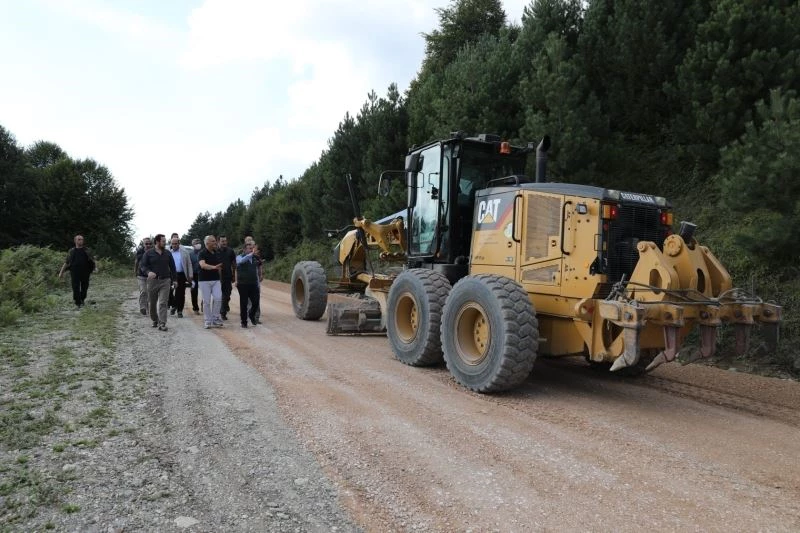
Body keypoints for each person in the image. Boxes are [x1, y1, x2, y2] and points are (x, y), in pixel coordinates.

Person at [141, 234, 176, 331]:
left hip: (165, 280)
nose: (165, 243)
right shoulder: (148, 253)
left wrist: (175, 280)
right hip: (152, 281)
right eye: (163, 241)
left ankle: (162, 323)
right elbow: (143, 266)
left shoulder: (168, 253)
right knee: (152, 303)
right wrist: (148, 272)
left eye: (165, 241)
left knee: (163, 302)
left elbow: (173, 267)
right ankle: (155, 319)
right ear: (157, 242)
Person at [58, 234, 96, 307]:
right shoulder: (71, 251)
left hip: (85, 271)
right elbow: (66, 262)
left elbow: (92, 260)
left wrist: (95, 268)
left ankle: (82, 299)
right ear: (75, 241)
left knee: (85, 286)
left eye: (82, 239)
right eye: (79, 239)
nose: (81, 241)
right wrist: (61, 272)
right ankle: (77, 302)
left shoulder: (87, 250)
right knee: (75, 287)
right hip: (74, 271)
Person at [198, 235, 224, 329]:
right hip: (204, 280)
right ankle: (208, 320)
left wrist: (220, 277)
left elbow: (219, 266)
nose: (215, 242)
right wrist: (214, 267)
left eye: (215, 241)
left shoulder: (217, 252)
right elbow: (203, 265)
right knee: (207, 301)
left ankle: (215, 318)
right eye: (213, 241)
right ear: (207, 243)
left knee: (218, 298)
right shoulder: (202, 253)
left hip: (216, 279)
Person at [235, 242, 260, 328]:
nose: (251, 250)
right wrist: (251, 254)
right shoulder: (239, 257)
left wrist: (258, 282)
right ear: (244, 250)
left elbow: (257, 269)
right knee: (244, 303)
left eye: (252, 248)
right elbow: (241, 261)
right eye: (249, 249)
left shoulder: (255, 257)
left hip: (253, 283)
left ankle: (251, 314)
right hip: (243, 284)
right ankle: (244, 322)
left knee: (256, 302)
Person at [168, 236, 193, 318]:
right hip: (171, 275)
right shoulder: (169, 253)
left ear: (179, 244)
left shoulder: (185, 253)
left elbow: (189, 264)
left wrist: (190, 275)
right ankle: (174, 305)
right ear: (171, 244)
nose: (174, 245)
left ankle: (179, 311)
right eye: (173, 244)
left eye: (176, 243)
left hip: (181, 275)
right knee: (169, 292)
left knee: (181, 293)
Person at [218, 235, 237, 320]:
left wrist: (234, 275)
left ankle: (224, 306)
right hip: (217, 277)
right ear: (218, 242)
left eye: (225, 241)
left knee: (227, 294)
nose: (224, 243)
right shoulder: (215, 251)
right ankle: (223, 312)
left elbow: (234, 264)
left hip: (227, 276)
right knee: (218, 295)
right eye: (222, 241)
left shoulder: (230, 251)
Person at [133, 238, 152, 315]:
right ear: (143, 244)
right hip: (141, 275)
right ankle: (142, 307)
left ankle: (148, 308)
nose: (148, 245)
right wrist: (135, 271)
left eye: (149, 244)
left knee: (149, 292)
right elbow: (136, 262)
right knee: (143, 291)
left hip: (150, 276)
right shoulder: (140, 252)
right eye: (146, 244)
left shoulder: (153, 252)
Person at [189, 238, 202, 315]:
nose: (198, 244)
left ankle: (204, 304)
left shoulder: (203, 253)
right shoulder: (190, 254)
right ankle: (195, 308)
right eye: (196, 243)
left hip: (203, 275)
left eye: (199, 243)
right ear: (193, 245)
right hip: (194, 275)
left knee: (205, 291)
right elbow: (188, 265)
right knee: (194, 292)